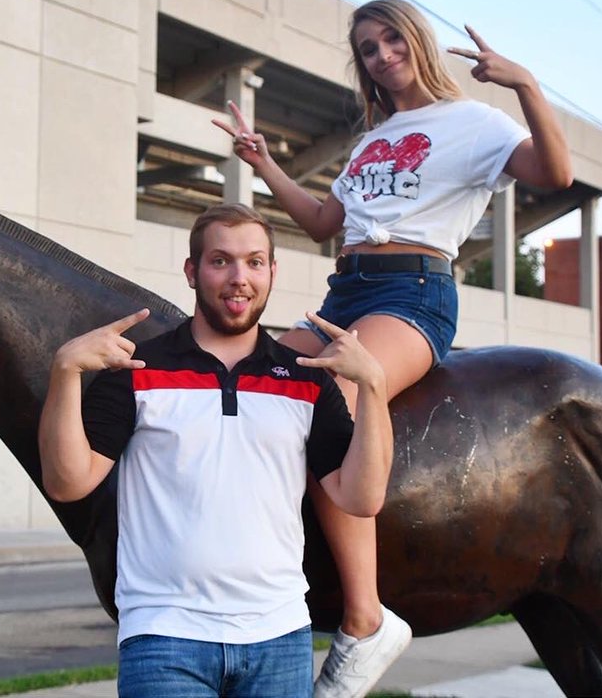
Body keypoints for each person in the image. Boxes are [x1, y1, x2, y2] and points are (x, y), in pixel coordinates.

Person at [212, 0, 574, 698]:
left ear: (417, 41)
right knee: (246, 387)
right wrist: (262, 162)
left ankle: (366, 619)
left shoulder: (475, 123)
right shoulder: (374, 140)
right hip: (344, 290)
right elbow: (322, 221)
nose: (382, 55)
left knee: (327, 395)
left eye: (390, 39)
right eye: (369, 49)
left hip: (413, 294)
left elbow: (554, 174)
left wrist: (525, 85)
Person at [38, 203, 396, 698]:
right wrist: (65, 373)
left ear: (272, 272)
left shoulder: (306, 378)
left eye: (254, 262)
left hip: (279, 636)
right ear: (192, 271)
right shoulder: (140, 370)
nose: (239, 278)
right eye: (220, 261)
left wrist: (373, 386)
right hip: (165, 637)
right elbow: (67, 481)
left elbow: (362, 498)